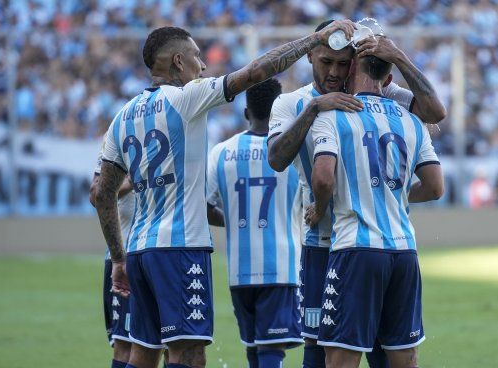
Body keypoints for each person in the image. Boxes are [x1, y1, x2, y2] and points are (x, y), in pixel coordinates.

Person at [94, 22, 356, 368]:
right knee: (188, 354)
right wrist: (315, 39)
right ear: (178, 62)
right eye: (197, 57)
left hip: (140, 249)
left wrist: (117, 257)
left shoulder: (122, 117)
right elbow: (257, 71)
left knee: (143, 353)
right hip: (179, 248)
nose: (202, 66)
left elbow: (100, 192)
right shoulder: (188, 97)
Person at [267, 19, 446, 368]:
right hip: (322, 246)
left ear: (355, 62)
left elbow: (437, 112)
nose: (334, 71)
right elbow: (276, 158)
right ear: (310, 57)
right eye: (326, 62)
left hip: (354, 244)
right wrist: (315, 108)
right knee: (318, 348)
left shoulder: (387, 96)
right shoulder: (291, 103)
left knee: (373, 349)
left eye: (342, 63)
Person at [206, 78, 303, 368]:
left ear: (247, 113)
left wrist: (235, 222)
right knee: (271, 350)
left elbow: (205, 206)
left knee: (253, 348)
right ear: (279, 112)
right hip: (280, 267)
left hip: (239, 270)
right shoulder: (294, 154)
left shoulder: (222, 152)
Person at [89, 138, 137, 368]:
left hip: (161, 251)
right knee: (125, 344)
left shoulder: (173, 123)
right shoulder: (116, 134)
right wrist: (131, 181)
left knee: (171, 343)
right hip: (124, 253)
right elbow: (96, 194)